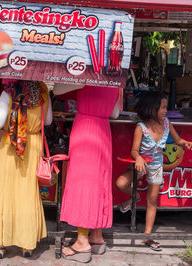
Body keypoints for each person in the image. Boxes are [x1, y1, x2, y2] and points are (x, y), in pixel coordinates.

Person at [115, 91, 192, 251]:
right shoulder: (141, 127)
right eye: (163, 107)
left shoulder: (166, 123)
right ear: (152, 108)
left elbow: (178, 140)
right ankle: (135, 195)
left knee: (152, 201)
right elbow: (134, 150)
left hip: (157, 167)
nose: (166, 111)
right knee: (120, 183)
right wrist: (138, 158)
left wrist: (185, 143)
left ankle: (147, 235)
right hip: (142, 165)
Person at [0, 80, 53, 259]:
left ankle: (1, 243)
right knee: (28, 193)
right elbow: (48, 121)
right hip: (33, 146)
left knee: (6, 192)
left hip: (12, 145)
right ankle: (27, 245)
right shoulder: (43, 92)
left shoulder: (8, 92)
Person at [56, 84, 120, 263]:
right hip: (103, 130)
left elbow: (56, 90)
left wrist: (79, 79)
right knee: (99, 183)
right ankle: (97, 237)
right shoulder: (115, 74)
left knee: (83, 183)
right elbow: (115, 113)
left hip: (85, 128)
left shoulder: (86, 71)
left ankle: (82, 241)